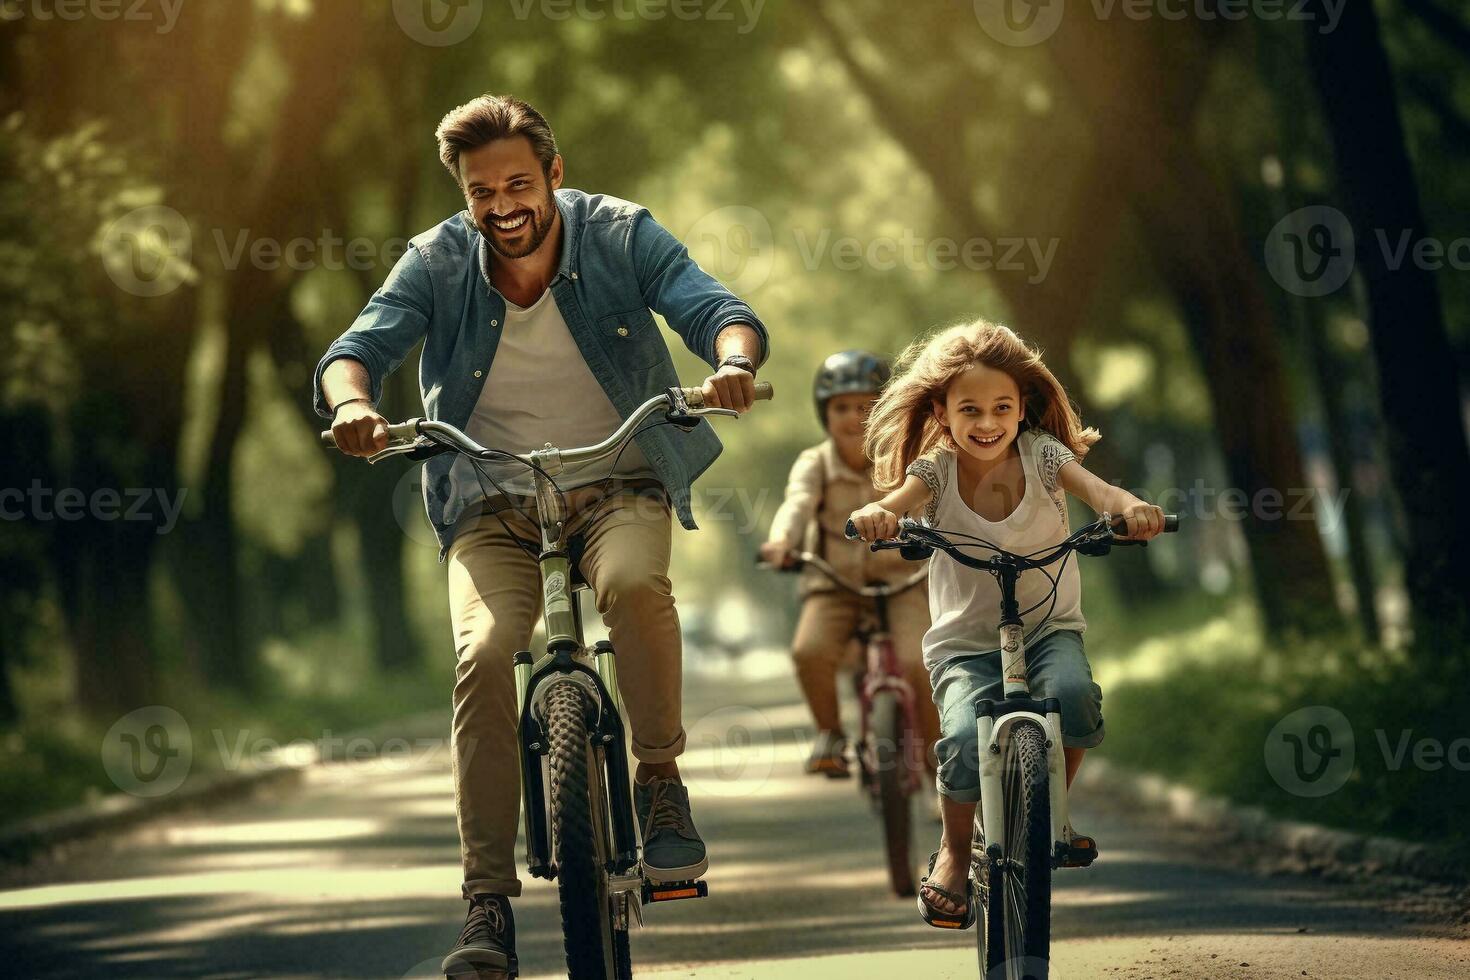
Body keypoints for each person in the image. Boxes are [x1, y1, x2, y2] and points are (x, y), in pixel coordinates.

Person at [314, 94, 769, 978]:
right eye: (482, 191)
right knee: (485, 654)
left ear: (554, 175)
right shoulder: (438, 261)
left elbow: (712, 304)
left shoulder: (620, 234)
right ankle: (485, 904)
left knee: (634, 586)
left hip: (619, 480)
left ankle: (662, 783)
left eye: (519, 182)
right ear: (465, 195)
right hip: (488, 499)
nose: (503, 205)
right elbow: (354, 348)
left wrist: (734, 364)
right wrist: (356, 407)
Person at [847, 318, 1164, 928]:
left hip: (1049, 631)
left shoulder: (1045, 457)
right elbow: (892, 505)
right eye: (970, 409)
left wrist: (1132, 510)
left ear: (1023, 409)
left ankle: (1056, 813)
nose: (987, 422)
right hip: (965, 646)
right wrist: (875, 517)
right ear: (941, 411)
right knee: (964, 740)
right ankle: (954, 852)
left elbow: (1102, 494)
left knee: (1073, 696)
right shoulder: (936, 472)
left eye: (1001, 407)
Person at [759, 351, 940, 778]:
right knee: (809, 651)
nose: (853, 417)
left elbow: (934, 503)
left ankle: (941, 768)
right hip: (833, 583)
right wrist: (781, 540)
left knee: (921, 662)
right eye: (841, 407)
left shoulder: (907, 458)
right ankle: (831, 735)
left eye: (866, 406)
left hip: (904, 581)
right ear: (825, 413)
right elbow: (797, 504)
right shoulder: (814, 463)